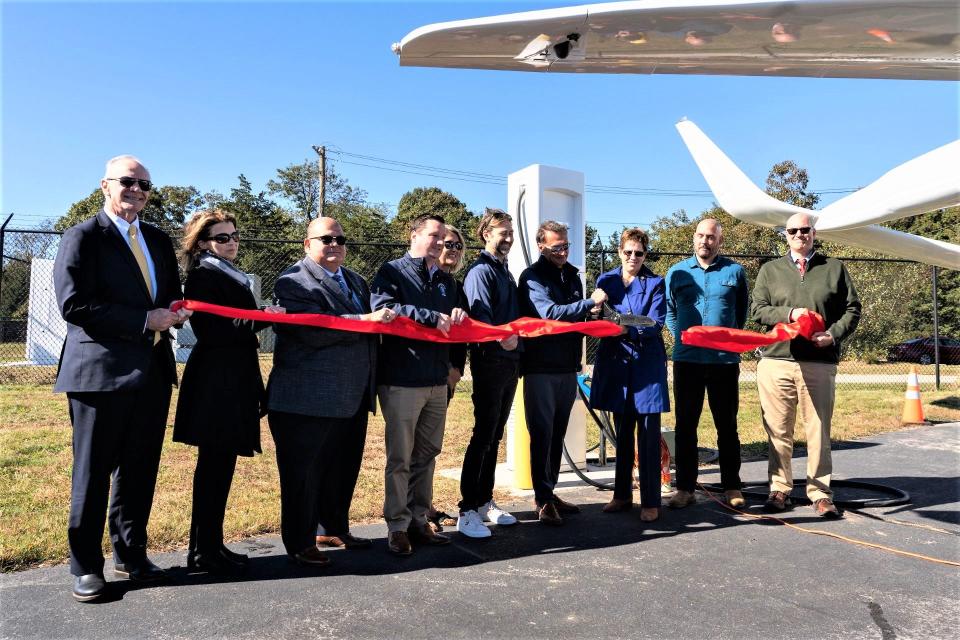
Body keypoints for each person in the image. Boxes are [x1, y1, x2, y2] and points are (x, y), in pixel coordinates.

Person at [54, 155, 191, 602]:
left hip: (151, 372)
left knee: (138, 470)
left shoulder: (157, 238)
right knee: (93, 474)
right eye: (128, 181)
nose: (136, 190)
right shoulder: (83, 236)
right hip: (98, 375)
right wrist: (142, 320)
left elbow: (168, 291)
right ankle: (86, 566)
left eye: (145, 185)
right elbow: (74, 305)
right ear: (105, 185)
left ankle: (131, 555)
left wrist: (174, 309)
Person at [267, 216, 394, 566]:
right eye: (326, 239)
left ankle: (331, 526)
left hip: (351, 394)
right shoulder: (293, 280)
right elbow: (311, 330)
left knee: (342, 467)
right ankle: (300, 541)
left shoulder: (355, 279)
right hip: (306, 397)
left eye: (340, 238)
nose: (335, 243)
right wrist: (365, 321)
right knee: (302, 475)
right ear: (308, 245)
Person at [173, 210, 284, 574]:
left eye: (234, 235)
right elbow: (217, 328)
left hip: (234, 376)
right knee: (213, 467)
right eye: (223, 237)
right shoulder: (203, 276)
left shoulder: (231, 275)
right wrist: (265, 317)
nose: (232, 241)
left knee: (221, 468)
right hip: (215, 381)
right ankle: (202, 551)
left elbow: (238, 323)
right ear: (204, 243)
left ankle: (211, 545)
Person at [751, 212, 861, 518]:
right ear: (785, 235)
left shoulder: (834, 268)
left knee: (818, 429)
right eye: (793, 230)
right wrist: (790, 314)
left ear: (814, 233)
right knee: (777, 429)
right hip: (776, 361)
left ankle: (820, 492)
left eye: (805, 230)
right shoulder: (770, 270)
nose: (800, 234)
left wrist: (833, 334)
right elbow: (757, 310)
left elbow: (852, 309)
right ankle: (779, 489)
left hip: (819, 361)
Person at [371, 213, 467, 555]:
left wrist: (457, 316)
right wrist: (431, 317)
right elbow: (384, 308)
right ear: (414, 236)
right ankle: (396, 526)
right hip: (401, 380)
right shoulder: (392, 271)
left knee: (427, 454)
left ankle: (418, 519)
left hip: (436, 381)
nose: (441, 242)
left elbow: (455, 321)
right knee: (401, 457)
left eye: (444, 237)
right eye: (434, 235)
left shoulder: (446, 281)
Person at [518, 220, 607, 525]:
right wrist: (588, 303)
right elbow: (551, 314)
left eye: (566, 246)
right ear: (541, 245)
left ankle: (550, 491)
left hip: (568, 366)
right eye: (556, 247)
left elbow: (576, 316)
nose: (562, 252)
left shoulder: (572, 275)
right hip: (540, 367)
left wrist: (590, 312)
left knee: (557, 434)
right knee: (541, 434)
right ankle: (542, 500)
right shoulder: (532, 278)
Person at [665, 218, 749, 509]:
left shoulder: (735, 271)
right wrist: (683, 339)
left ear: (719, 241)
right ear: (694, 238)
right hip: (687, 361)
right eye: (700, 235)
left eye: (711, 237)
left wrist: (724, 342)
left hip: (724, 362)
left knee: (727, 425)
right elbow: (670, 312)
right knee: (685, 426)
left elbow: (740, 314)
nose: (705, 241)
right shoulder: (676, 272)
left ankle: (732, 487)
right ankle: (685, 488)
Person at [590, 228, 669, 522]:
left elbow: (654, 322)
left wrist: (625, 327)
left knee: (647, 436)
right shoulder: (606, 280)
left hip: (646, 366)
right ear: (619, 251)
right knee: (621, 435)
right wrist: (595, 314)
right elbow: (597, 314)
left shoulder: (656, 283)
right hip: (616, 363)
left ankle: (651, 501)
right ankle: (621, 494)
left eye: (639, 253)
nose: (633, 257)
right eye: (628, 252)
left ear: (645, 254)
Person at [456, 209, 521, 539]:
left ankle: (484, 502)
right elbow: (480, 318)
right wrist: (501, 338)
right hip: (490, 363)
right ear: (485, 234)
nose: (507, 237)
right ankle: (467, 509)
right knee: (483, 434)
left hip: (509, 365)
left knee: (494, 435)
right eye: (501, 232)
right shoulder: (481, 271)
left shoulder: (504, 270)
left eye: (510, 231)